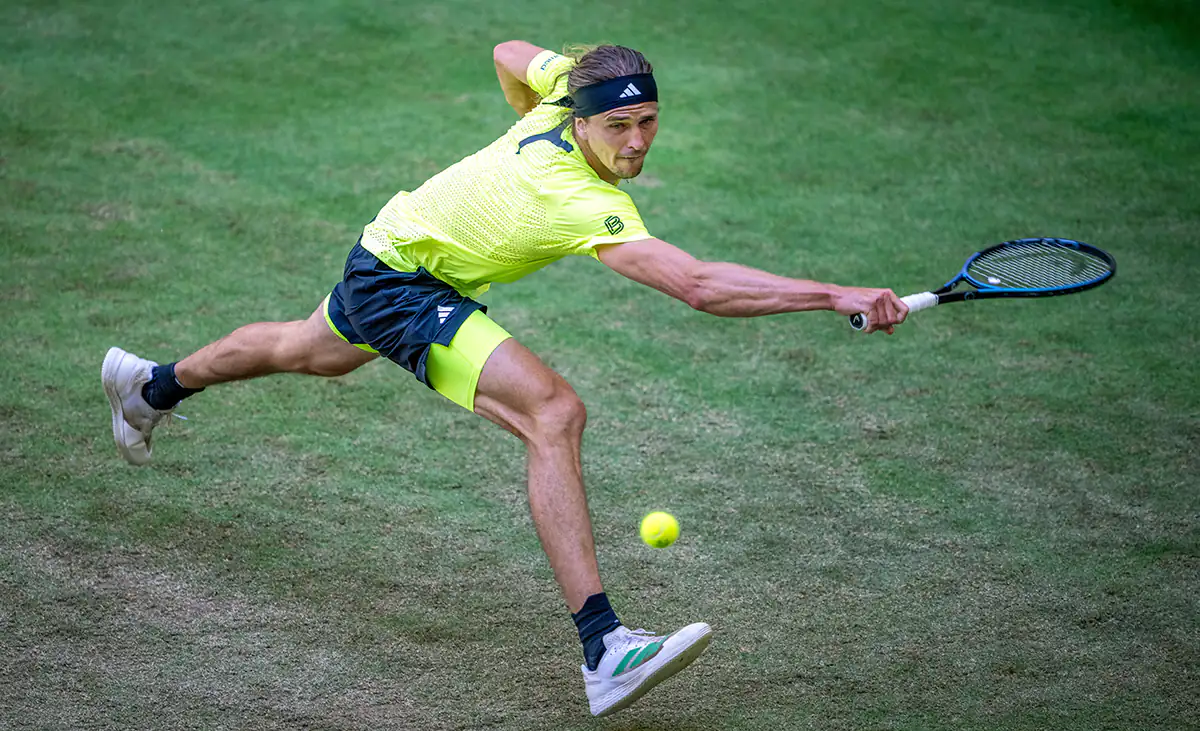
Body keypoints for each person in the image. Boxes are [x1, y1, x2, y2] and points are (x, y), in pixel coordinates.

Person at [101, 40, 908, 717]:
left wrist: (530, 104)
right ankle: (605, 649)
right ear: (584, 121)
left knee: (309, 349)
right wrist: (834, 295)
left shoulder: (566, 89)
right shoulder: (572, 196)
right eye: (619, 126)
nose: (636, 142)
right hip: (405, 280)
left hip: (396, 243)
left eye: (649, 121)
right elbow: (696, 284)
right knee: (553, 411)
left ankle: (150, 387)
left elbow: (509, 53)